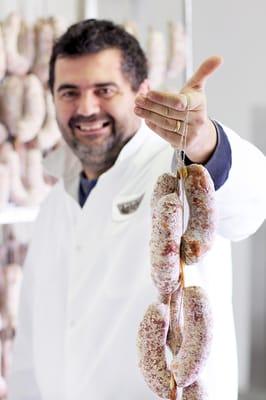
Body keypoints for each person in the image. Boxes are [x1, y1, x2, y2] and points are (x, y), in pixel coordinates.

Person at [8, 19, 266, 400]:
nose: (86, 107)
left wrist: (206, 143)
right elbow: (31, 341)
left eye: (104, 90)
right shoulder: (52, 205)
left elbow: (250, 204)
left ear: (142, 92)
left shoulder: (176, 167)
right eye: (68, 92)